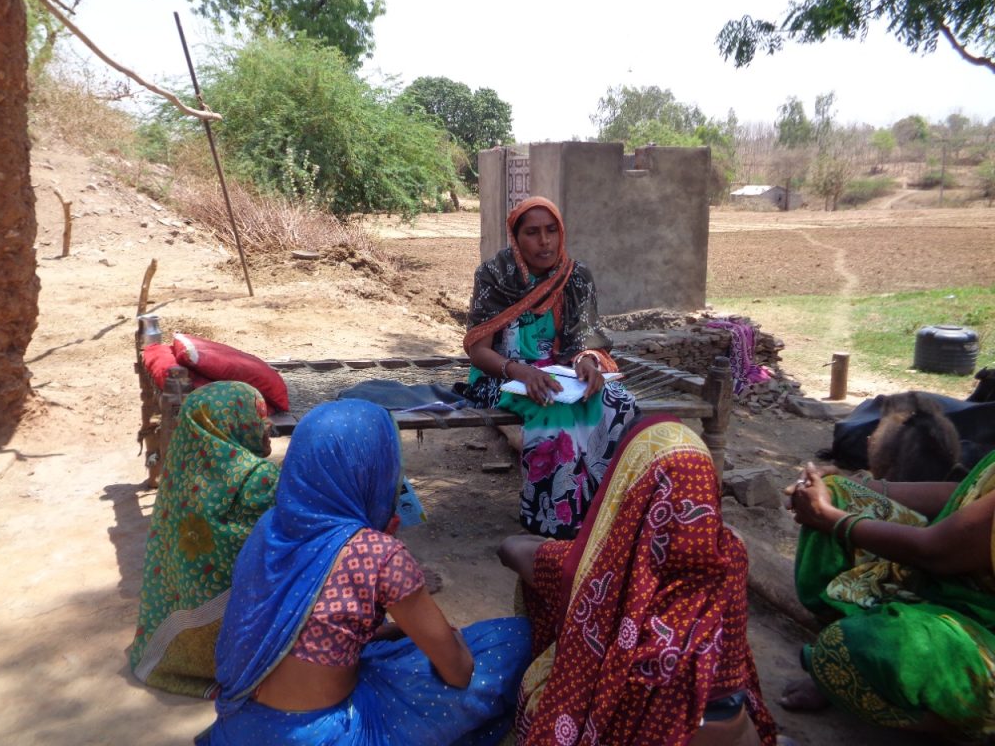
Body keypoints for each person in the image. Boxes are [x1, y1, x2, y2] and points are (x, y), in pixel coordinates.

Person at [196, 399, 532, 746]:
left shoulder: (269, 529)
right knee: (514, 639)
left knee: (387, 650)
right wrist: (448, 637)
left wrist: (392, 630)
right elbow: (459, 672)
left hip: (241, 727)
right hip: (327, 734)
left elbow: (310, 632)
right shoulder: (377, 553)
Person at [498, 415, 777, 745]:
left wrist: (587, 543)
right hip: (731, 728)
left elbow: (510, 548)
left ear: (629, 487)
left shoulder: (602, 574)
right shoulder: (732, 555)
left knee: (536, 683)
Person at [781, 447, 995, 739]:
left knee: (858, 645)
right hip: (955, 588)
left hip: (983, 630)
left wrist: (830, 517)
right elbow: (969, 495)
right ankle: (863, 664)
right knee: (837, 491)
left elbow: (936, 552)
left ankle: (954, 720)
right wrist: (858, 485)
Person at [463, 195, 637, 540]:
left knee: (620, 403)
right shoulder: (494, 276)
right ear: (516, 237)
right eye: (532, 232)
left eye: (551, 230)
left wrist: (588, 362)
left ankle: (609, 512)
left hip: (561, 374)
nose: (544, 241)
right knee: (555, 415)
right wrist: (521, 372)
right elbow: (479, 351)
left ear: (561, 232)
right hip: (502, 376)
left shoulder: (576, 276)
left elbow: (584, 337)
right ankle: (552, 524)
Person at [130, 381, 279, 697]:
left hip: (182, 621)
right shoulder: (260, 478)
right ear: (233, 423)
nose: (268, 428)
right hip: (231, 635)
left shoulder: (181, 471)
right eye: (258, 418)